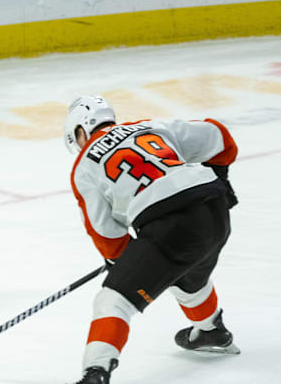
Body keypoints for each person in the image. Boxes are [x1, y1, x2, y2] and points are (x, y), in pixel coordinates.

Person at [62, 95, 240, 384]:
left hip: (171, 224)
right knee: (185, 272)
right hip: (213, 207)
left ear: (81, 130)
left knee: (113, 301)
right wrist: (222, 178)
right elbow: (218, 135)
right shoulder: (149, 127)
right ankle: (210, 330)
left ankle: (95, 373)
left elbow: (106, 235)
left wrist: (122, 264)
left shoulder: (84, 166)